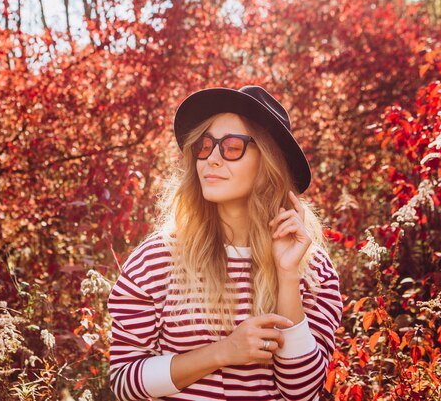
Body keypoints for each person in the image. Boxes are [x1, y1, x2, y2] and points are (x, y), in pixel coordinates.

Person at [107, 86, 343, 401]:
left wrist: (287, 275)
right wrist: (224, 352)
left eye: (232, 146)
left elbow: (301, 390)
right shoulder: (155, 262)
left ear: (268, 162)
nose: (212, 159)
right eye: (205, 145)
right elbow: (124, 382)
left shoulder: (312, 269)